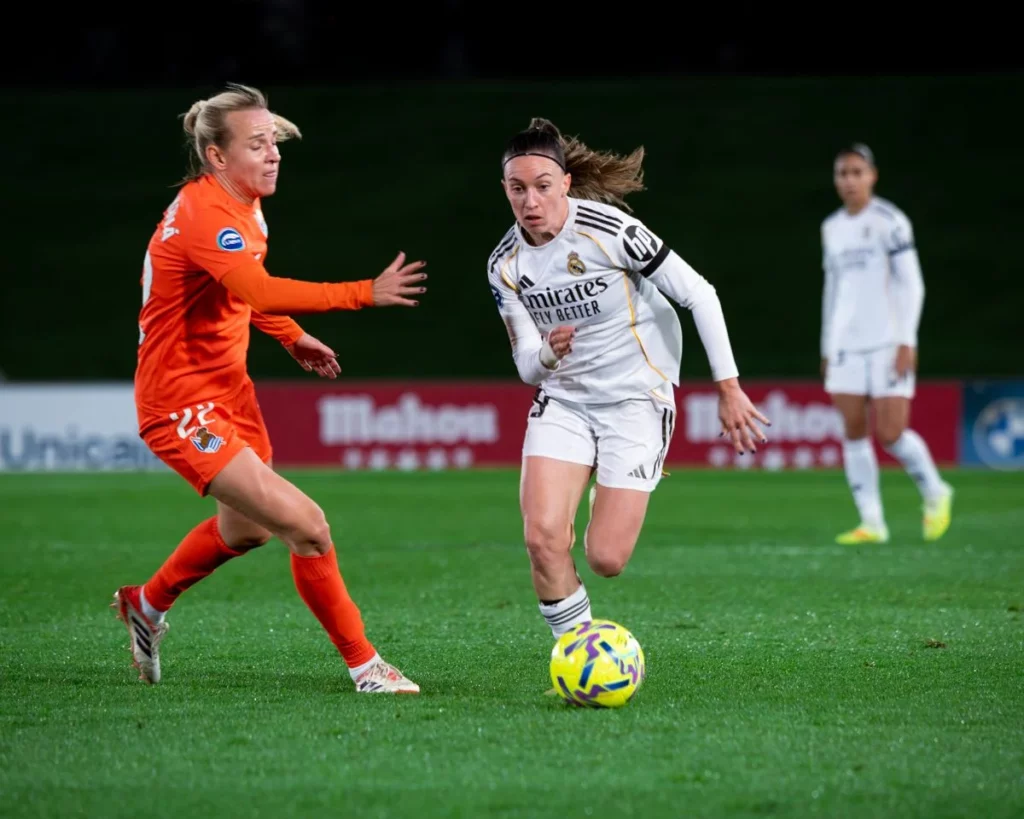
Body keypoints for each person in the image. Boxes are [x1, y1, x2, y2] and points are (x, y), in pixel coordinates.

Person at [113, 83, 427, 693]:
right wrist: (363, 292)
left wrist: (290, 337)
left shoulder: (244, 202)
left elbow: (233, 292)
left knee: (246, 530)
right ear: (216, 157)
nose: (273, 153)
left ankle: (145, 605)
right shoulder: (207, 212)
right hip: (179, 405)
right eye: (257, 144)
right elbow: (256, 288)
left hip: (229, 392)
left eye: (274, 141)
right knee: (307, 526)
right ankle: (367, 668)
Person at [487, 117, 770, 640]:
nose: (530, 201)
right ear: (504, 189)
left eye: (543, 187)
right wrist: (548, 354)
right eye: (517, 188)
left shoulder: (611, 232)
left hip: (635, 398)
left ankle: (608, 486)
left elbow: (699, 294)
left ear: (566, 183)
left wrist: (728, 388)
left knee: (606, 558)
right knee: (543, 539)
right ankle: (578, 652)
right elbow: (527, 365)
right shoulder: (504, 265)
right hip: (565, 400)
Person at [820, 143, 953, 544]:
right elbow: (833, 288)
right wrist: (827, 344)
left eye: (857, 172)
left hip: (885, 343)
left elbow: (913, 283)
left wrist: (906, 340)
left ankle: (935, 490)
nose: (849, 180)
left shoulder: (890, 222)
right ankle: (872, 522)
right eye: (843, 173)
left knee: (892, 432)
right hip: (845, 345)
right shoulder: (831, 227)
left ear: (872, 176)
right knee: (853, 430)